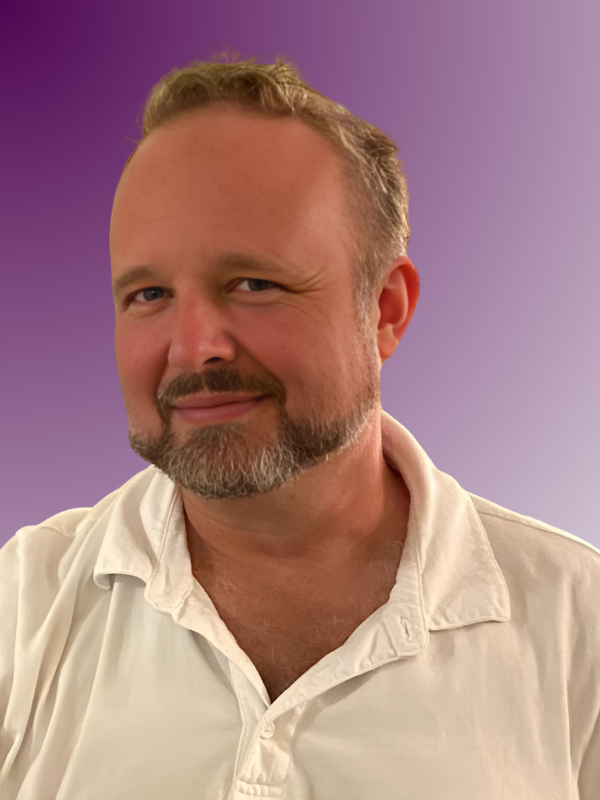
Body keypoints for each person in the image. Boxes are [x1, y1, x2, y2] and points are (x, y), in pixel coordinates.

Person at [1, 54, 598, 800]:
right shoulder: (21, 608)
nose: (193, 346)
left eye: (254, 284)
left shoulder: (579, 625)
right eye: (149, 294)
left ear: (384, 310)